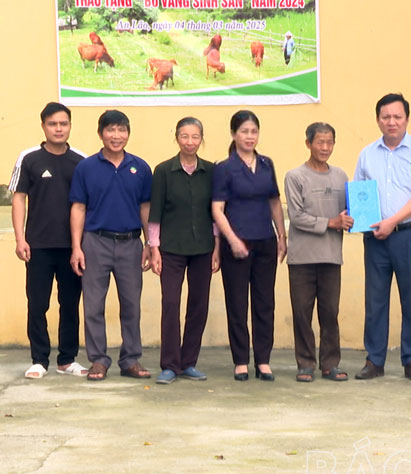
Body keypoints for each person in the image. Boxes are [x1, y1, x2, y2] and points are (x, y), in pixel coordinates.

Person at [353, 93, 411, 382]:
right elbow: (360, 194)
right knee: (375, 300)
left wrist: (392, 221)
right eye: (386, 117)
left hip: (409, 236)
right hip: (375, 238)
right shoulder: (367, 154)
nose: (392, 122)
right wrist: (355, 215)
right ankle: (374, 360)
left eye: (397, 116)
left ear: (407, 119)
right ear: (378, 120)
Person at [69, 110, 153, 381]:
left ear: (128, 133)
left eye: (122, 130)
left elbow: (145, 207)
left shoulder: (140, 167)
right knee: (93, 305)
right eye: (111, 130)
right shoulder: (86, 167)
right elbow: (78, 207)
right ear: (100, 133)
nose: (116, 136)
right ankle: (98, 360)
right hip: (95, 242)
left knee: (131, 305)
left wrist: (150, 243)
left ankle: (130, 359)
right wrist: (76, 247)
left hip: (130, 244)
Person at [10, 102, 87, 379]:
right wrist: (20, 238)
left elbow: (87, 203)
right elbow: (18, 199)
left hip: (72, 247)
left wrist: (81, 245)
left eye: (63, 123)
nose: (58, 128)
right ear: (43, 126)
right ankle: (39, 360)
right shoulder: (28, 158)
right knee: (37, 303)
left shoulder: (81, 160)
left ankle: (67, 359)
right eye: (53, 124)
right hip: (38, 246)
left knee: (70, 303)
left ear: (70, 126)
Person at [212, 110, 287, 382]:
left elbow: (274, 202)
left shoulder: (267, 164)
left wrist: (281, 236)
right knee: (237, 303)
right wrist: (232, 241)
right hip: (237, 246)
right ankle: (241, 360)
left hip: (265, 241)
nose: (249, 137)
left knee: (265, 303)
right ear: (234, 134)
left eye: (254, 131)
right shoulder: (224, 168)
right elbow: (217, 209)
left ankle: (263, 360)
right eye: (244, 131)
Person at [147, 117, 219, 385]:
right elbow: (154, 213)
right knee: (171, 303)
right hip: (171, 249)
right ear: (176, 138)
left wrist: (217, 249)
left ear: (202, 139)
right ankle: (169, 364)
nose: (190, 141)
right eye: (185, 136)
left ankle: (189, 362)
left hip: (203, 248)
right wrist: (154, 248)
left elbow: (216, 214)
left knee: (198, 305)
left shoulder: (211, 171)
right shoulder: (164, 170)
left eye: (195, 136)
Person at [284, 122, 353, 382]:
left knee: (330, 313)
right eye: (320, 142)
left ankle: (330, 364)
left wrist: (357, 218)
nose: (325, 147)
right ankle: (305, 363)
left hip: (331, 256)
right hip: (302, 257)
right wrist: (331, 223)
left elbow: (349, 211)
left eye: (330, 142)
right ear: (308, 143)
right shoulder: (295, 176)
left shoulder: (341, 176)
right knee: (302, 312)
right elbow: (297, 216)